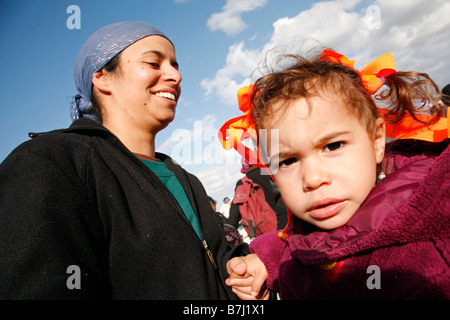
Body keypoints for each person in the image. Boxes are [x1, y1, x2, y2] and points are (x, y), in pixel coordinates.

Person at [0, 21, 249, 299]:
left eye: (175, 65)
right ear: (103, 77)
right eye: (154, 63)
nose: (175, 76)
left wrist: (249, 266)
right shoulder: (52, 162)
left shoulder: (185, 179)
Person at [221, 49, 449, 299]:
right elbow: (300, 243)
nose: (313, 179)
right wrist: (267, 261)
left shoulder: (436, 215)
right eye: (288, 161)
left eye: (333, 146)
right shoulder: (295, 253)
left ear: (376, 140)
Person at [227, 158, 288, 233]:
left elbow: (234, 217)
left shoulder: (242, 183)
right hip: (291, 220)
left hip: (269, 232)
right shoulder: (272, 172)